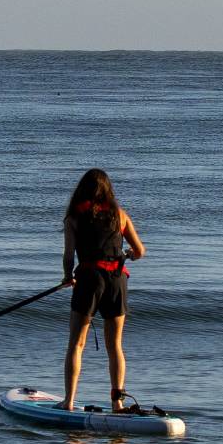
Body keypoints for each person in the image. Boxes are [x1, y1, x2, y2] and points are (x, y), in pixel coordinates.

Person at [60, 167, 146, 410]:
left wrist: (68, 276)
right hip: (117, 280)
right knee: (115, 346)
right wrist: (128, 254)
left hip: (89, 279)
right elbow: (139, 251)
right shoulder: (120, 215)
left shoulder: (74, 217)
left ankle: (69, 402)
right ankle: (117, 405)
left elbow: (68, 256)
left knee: (76, 344)